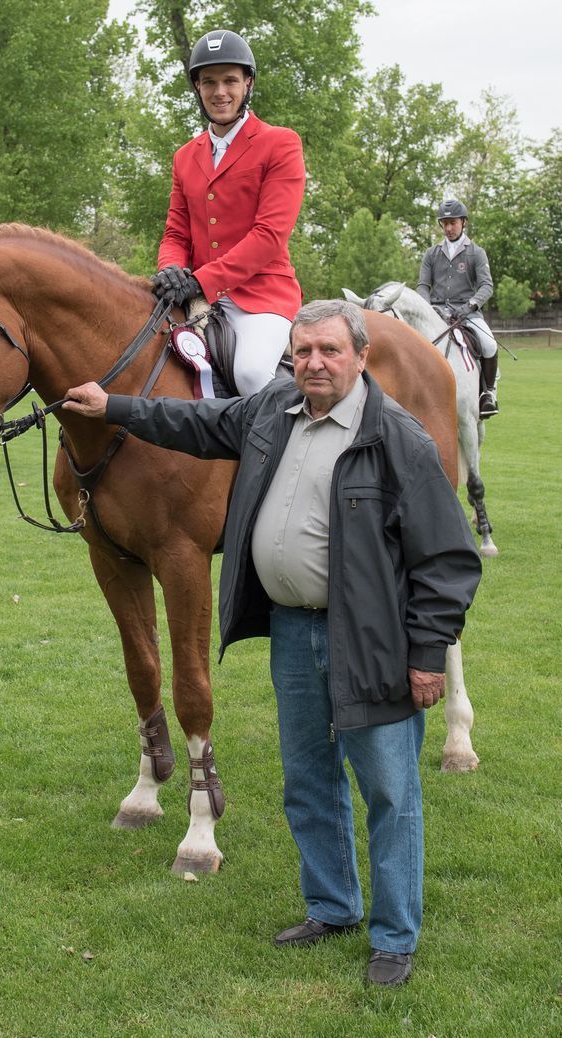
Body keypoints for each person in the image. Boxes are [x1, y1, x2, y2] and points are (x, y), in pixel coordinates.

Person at [63, 299, 482, 987]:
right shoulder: (273, 411)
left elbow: (447, 560)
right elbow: (197, 422)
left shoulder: (397, 438)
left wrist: (428, 653)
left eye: (330, 351)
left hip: (371, 638)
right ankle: (332, 907)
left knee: (388, 791)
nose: (314, 363)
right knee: (309, 782)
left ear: (361, 357)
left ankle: (394, 937)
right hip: (292, 629)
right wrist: (114, 406)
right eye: (303, 351)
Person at [151, 29, 305, 395]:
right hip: (195, 296)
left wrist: (202, 281)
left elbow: (269, 236)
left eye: (230, 81)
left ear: (248, 83)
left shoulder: (280, 143)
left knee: (251, 374)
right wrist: (170, 269)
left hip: (261, 295)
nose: (220, 92)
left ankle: (292, 433)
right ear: (198, 87)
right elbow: (176, 234)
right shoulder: (185, 156)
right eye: (209, 82)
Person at [417, 199, 500, 417]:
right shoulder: (431, 254)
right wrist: (427, 308)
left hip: (467, 313)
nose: (448, 228)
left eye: (453, 223)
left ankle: (488, 394)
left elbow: (486, 286)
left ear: (463, 222)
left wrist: (469, 306)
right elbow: (423, 286)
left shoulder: (476, 253)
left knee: (489, 344)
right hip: (436, 312)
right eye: (445, 223)